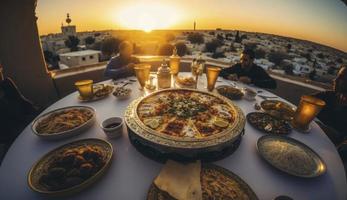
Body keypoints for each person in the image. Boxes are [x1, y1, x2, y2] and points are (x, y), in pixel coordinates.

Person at [313, 66, 347, 145]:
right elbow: (303, 104)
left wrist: (335, 135)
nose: (335, 80)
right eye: (338, 76)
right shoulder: (326, 95)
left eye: (342, 78)